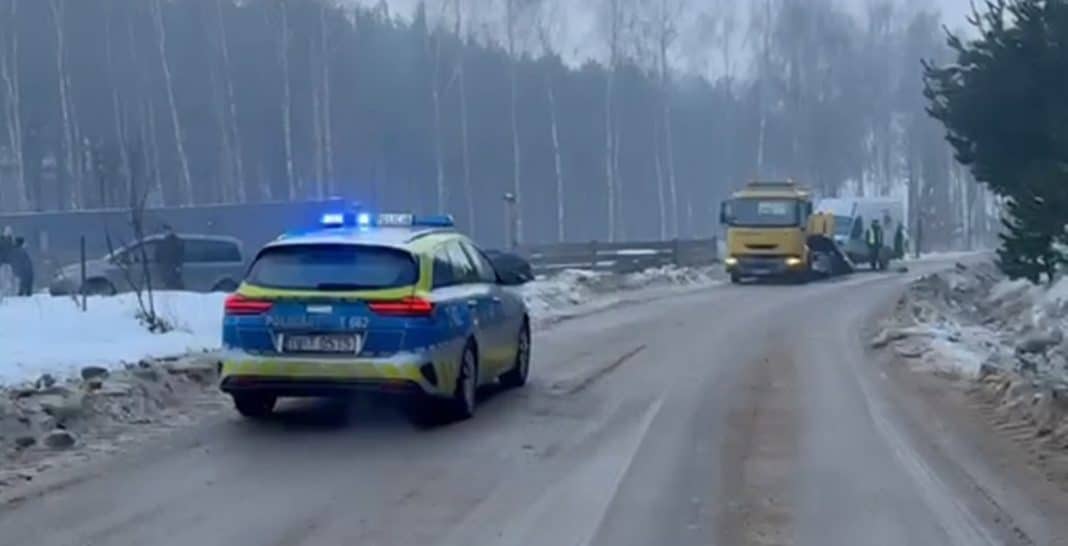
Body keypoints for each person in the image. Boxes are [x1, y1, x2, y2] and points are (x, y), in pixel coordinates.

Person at [156, 225, 185, 290]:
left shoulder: (176, 241)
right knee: (168, 284)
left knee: (174, 284)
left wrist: (178, 266)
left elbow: (180, 255)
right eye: (165, 231)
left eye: (167, 231)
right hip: (166, 266)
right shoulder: (163, 241)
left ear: (171, 231)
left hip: (173, 267)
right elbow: (158, 254)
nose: (166, 232)